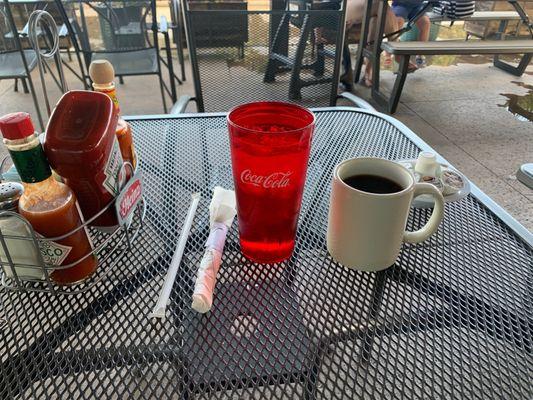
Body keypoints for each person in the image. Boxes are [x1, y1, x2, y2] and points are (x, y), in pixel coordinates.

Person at [341, 0, 398, 89]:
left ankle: (368, 71)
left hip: (364, 8)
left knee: (376, 20)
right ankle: (398, 52)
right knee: (380, 5)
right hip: (341, 6)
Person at [391, 0, 431, 69]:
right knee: (398, 22)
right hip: (400, 4)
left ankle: (420, 55)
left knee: (425, 23)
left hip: (417, 7)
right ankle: (397, 56)